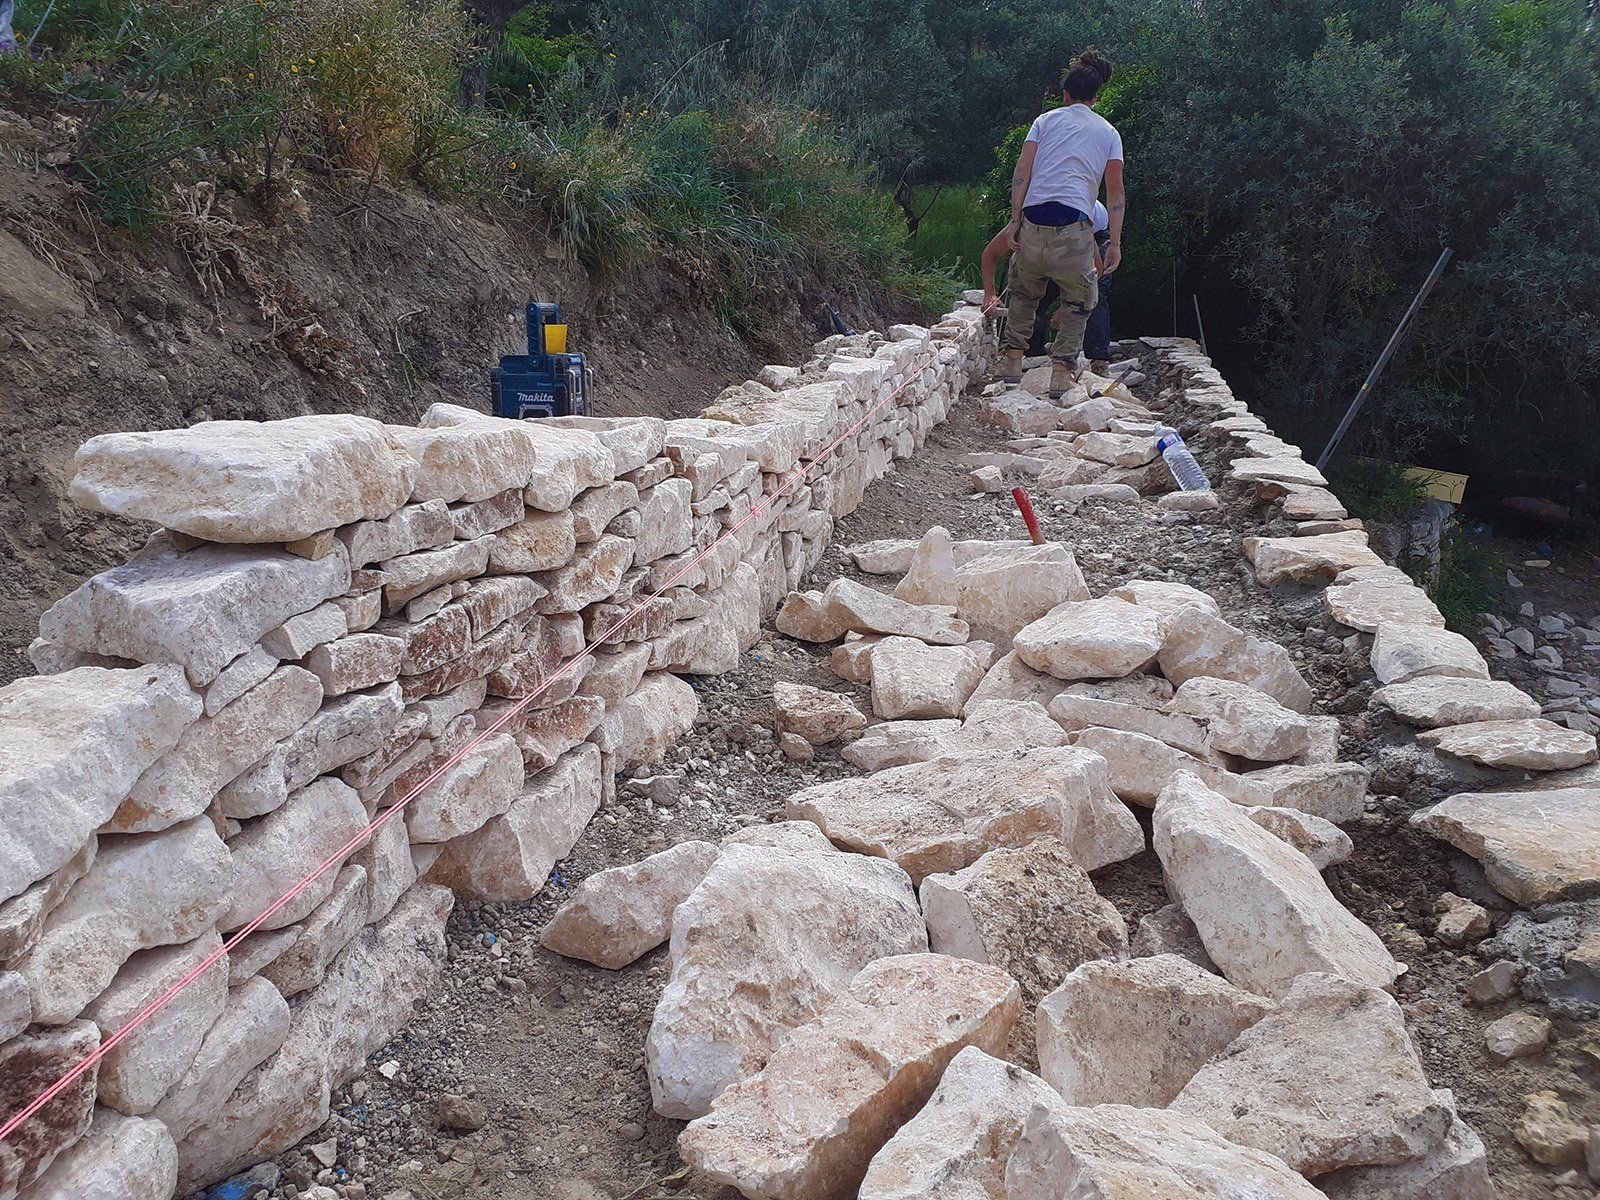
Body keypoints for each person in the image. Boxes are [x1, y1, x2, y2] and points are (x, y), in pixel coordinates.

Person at [995, 48, 1125, 399]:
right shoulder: (1109, 133)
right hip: (1074, 226)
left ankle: (1012, 362)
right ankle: (1061, 374)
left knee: (1024, 293)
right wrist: (1114, 242)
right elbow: (1115, 194)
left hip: (1033, 221)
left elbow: (1022, 171)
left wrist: (1015, 220)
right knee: (1081, 299)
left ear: (1065, 95)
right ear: (1096, 98)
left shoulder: (1044, 122)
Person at [1084, 198, 1114, 371]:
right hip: (1073, 231)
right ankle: (1032, 351)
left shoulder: (1079, 207)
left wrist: (1061, 312)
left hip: (1097, 235)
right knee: (1038, 289)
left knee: (1096, 294)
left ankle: (1097, 357)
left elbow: (1097, 272)